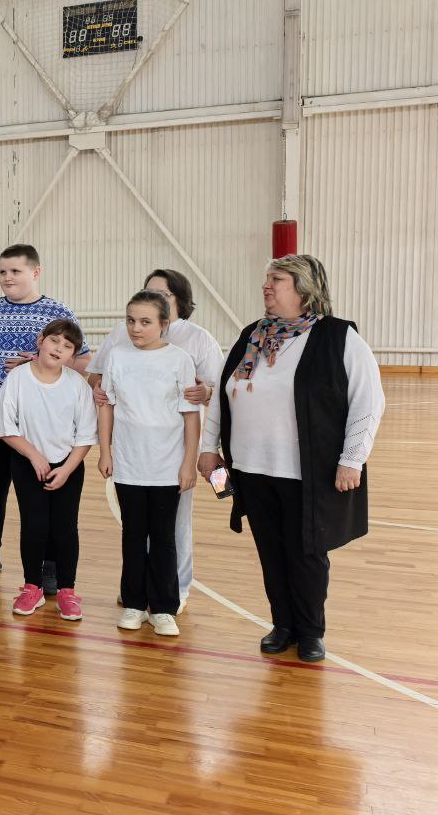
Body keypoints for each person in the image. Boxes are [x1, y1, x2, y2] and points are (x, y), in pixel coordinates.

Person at [198, 254, 384, 664]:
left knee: (307, 554)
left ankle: (310, 631)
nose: (267, 285)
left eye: (277, 279)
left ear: (304, 288)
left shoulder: (338, 337)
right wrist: (209, 448)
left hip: (306, 471)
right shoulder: (251, 335)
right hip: (251, 468)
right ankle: (282, 625)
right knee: (271, 552)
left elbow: (368, 402)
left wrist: (352, 459)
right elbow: (223, 397)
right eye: (267, 278)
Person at [89, 268, 222, 610]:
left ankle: (174, 590)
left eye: (163, 294)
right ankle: (137, 591)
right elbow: (98, 378)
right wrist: (100, 394)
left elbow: (216, 392)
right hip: (132, 450)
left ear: (176, 302)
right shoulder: (121, 339)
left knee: (172, 527)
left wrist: (205, 395)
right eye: (148, 291)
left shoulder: (196, 341)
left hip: (173, 449)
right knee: (135, 528)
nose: (137, 326)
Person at [0, 243, 90, 585]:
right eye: (2, 271)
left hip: (40, 429)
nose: (7, 277)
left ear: (36, 272)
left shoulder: (58, 312)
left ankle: (50, 564)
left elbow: (84, 362)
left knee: (44, 498)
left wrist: (36, 361)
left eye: (15, 271)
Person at [97, 290, 200, 637]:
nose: (136, 328)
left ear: (163, 324)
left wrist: (188, 463)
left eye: (145, 322)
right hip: (129, 464)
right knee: (132, 534)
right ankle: (134, 604)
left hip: (167, 465)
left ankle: (164, 608)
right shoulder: (116, 356)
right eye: (130, 321)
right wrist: (106, 451)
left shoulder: (180, 360)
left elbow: (190, 416)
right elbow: (107, 406)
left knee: (164, 538)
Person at [0, 319, 96, 620]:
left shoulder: (77, 385)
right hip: (28, 463)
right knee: (34, 526)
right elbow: (6, 427)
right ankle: (31, 587)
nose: (59, 348)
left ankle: (67, 591)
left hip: (68, 466)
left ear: (73, 356)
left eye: (67, 346)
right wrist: (34, 455)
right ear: (41, 341)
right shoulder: (17, 379)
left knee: (65, 528)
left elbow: (86, 436)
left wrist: (67, 469)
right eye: (54, 341)